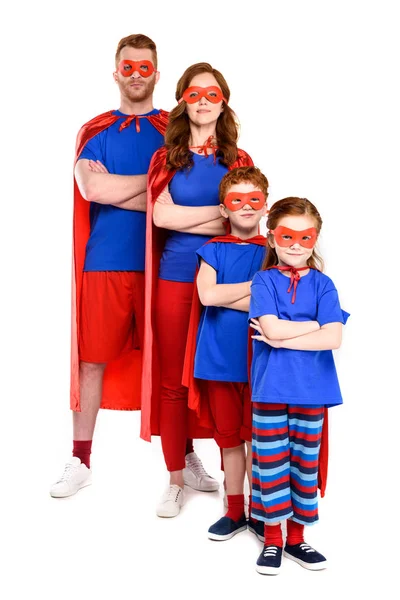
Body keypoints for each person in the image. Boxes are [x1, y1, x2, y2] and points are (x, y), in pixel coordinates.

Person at [50, 34, 168, 498]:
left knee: (171, 363)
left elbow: (186, 192)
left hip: (166, 263)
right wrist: (155, 186)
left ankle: (185, 456)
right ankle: (81, 460)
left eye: (145, 67)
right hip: (106, 263)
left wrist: (123, 188)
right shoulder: (95, 129)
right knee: (92, 362)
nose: (136, 74)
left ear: (156, 73)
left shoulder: (174, 130)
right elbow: (92, 191)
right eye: (128, 67)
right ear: (116, 72)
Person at [140, 63, 254, 517]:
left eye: (211, 93)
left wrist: (198, 216)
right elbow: (161, 218)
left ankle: (238, 491)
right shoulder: (165, 159)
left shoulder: (239, 159)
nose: (203, 100)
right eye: (193, 93)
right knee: (171, 383)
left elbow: (243, 218)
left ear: (223, 101)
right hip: (175, 278)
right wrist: (216, 215)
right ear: (182, 101)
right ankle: (174, 479)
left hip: (225, 283)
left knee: (226, 378)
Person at [248, 197, 349, 574]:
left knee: (305, 466)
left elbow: (334, 338)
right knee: (271, 465)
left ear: (315, 238)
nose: (295, 245)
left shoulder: (324, 285)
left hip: (314, 391)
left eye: (305, 237)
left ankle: (296, 538)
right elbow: (271, 327)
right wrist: (312, 327)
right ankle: (272, 539)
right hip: (271, 389)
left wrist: (280, 338)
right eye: (287, 236)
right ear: (272, 237)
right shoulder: (264, 280)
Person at [185, 166, 269, 541]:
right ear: (224, 209)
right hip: (219, 360)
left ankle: (263, 512)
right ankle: (235, 510)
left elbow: (276, 303)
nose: (247, 207)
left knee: (261, 438)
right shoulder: (212, 250)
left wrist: (232, 292)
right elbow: (208, 295)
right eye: (238, 200)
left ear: (265, 206)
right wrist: (254, 289)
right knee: (230, 439)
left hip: (264, 362)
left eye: (255, 199)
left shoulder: (276, 249)